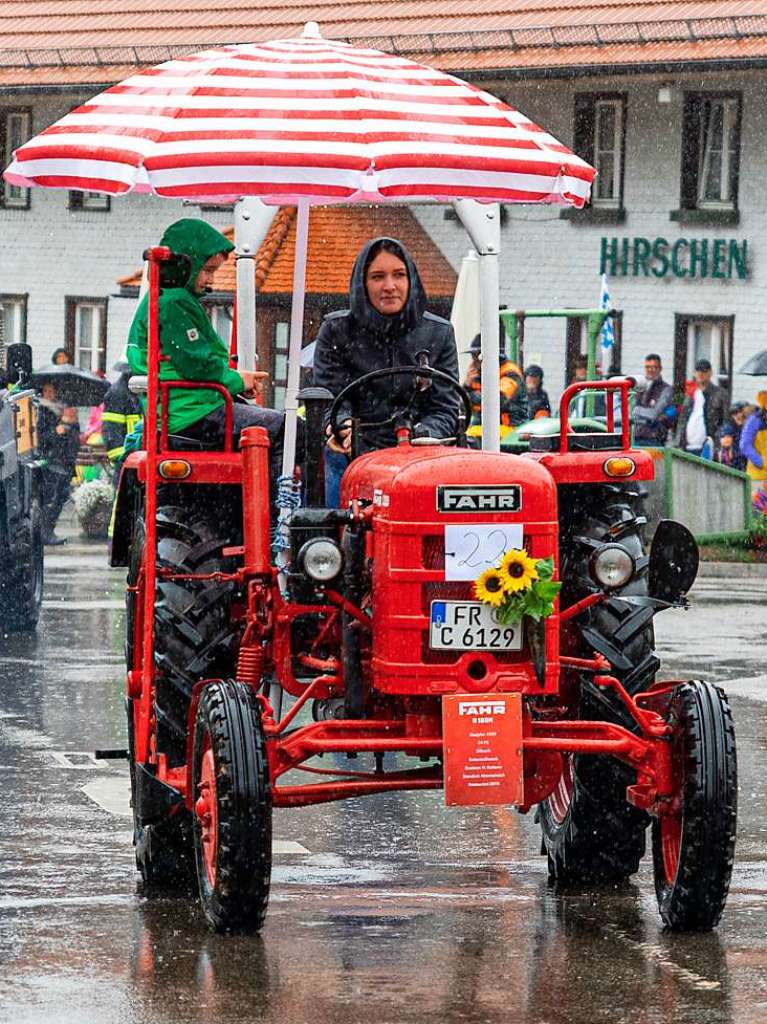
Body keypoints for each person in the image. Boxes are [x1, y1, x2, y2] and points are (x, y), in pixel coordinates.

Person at [126, 218, 286, 504]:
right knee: (285, 431)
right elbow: (197, 362)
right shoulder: (174, 302)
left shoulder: (161, 298)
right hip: (193, 413)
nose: (211, 280)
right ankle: (273, 515)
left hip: (181, 410)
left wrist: (234, 382)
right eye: (207, 270)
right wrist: (238, 379)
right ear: (185, 264)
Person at [313, 236, 459, 506]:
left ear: (411, 280)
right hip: (356, 446)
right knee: (330, 462)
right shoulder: (336, 330)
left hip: (422, 450)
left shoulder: (439, 333)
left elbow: (445, 407)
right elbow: (330, 397)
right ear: (362, 284)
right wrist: (342, 426)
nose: (390, 286)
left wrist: (422, 435)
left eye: (399, 275)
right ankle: (331, 539)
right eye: (378, 277)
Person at [37, 383, 80, 544]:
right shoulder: (41, 410)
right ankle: (46, 532)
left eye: (51, 390)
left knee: (61, 496)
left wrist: (71, 423)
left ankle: (50, 530)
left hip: (67, 461)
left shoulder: (63, 409)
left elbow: (75, 437)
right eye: (46, 390)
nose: (49, 393)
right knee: (51, 498)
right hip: (52, 462)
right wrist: (56, 431)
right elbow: (41, 439)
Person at [463, 334, 528, 431]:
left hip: (511, 428)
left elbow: (496, 401)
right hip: (481, 427)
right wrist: (466, 386)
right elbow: (462, 405)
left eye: (477, 356)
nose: (474, 361)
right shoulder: (476, 374)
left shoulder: (510, 372)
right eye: (473, 356)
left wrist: (472, 399)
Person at [675, 358, 728, 457]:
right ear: (694, 373)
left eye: (704, 370)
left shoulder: (720, 394)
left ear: (710, 373)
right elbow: (682, 419)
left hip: (708, 448)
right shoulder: (689, 394)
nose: (700, 373)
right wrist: (678, 443)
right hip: (686, 447)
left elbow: (725, 420)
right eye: (698, 370)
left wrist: (717, 441)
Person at [101, 360, 142, 466]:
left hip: (137, 455)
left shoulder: (137, 389)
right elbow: (112, 431)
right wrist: (121, 460)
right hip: (129, 459)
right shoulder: (118, 393)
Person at [631, 353, 676, 446]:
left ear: (660, 369)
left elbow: (654, 414)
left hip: (654, 439)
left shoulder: (666, 389)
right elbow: (629, 410)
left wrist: (637, 410)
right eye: (648, 367)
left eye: (654, 367)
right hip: (635, 437)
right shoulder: (640, 387)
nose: (650, 370)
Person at [741, 392, 767, 495]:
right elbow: (745, 445)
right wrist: (761, 462)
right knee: (758, 508)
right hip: (758, 477)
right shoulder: (755, 420)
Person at [717, 401, 749, 471]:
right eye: (734, 413)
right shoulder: (729, 427)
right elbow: (726, 452)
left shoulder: (747, 427)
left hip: (745, 464)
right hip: (734, 466)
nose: (737, 415)